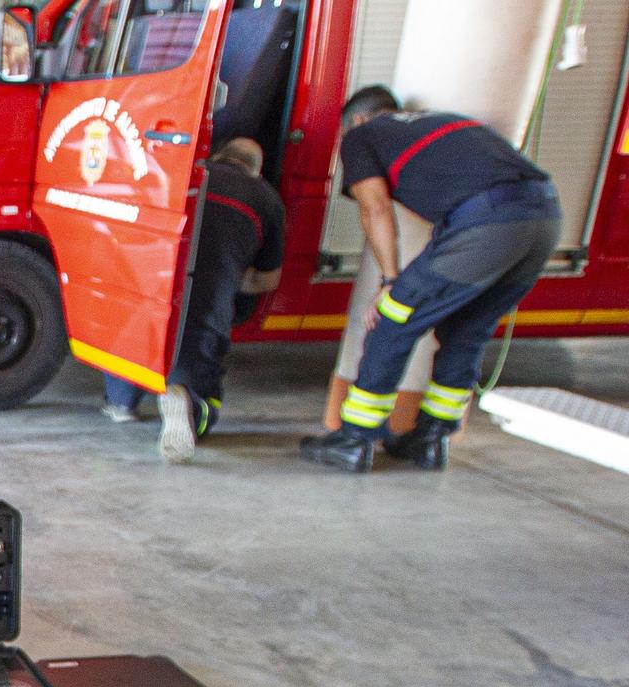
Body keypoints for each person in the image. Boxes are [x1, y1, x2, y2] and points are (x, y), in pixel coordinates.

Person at [300, 86, 560, 473]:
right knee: (467, 329)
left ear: (356, 119)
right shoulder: (448, 122)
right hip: (545, 218)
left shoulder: (362, 135)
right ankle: (430, 439)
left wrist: (390, 282)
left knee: (393, 319)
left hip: (489, 224)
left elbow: (375, 209)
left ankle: (353, 439)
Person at [101, 138, 284, 463]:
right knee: (200, 371)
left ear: (217, 156)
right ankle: (189, 402)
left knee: (133, 340)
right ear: (255, 169)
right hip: (210, 303)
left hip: (154, 284)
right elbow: (268, 280)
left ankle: (122, 403)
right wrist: (230, 275)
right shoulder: (265, 197)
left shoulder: (180, 174)